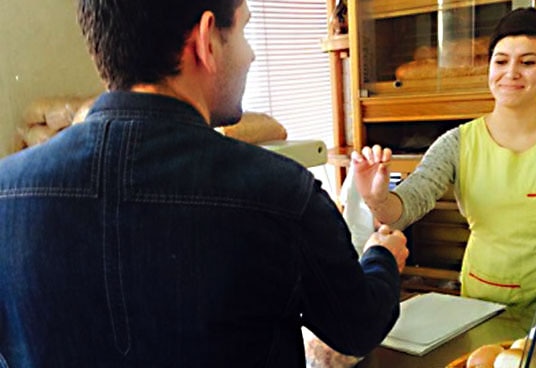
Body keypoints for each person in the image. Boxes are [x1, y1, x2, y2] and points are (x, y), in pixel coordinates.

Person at [0, 0, 410, 366]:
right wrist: (382, 258)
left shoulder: (6, 190)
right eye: (245, 30)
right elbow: (357, 326)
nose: (250, 56)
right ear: (206, 39)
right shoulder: (281, 193)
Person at [351, 7, 536, 310]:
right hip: (482, 305)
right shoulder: (457, 143)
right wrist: (377, 197)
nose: (511, 73)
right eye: (500, 61)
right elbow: (404, 208)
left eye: (528, 62)